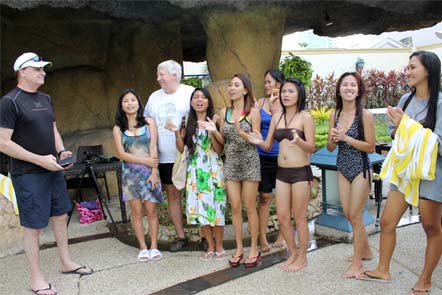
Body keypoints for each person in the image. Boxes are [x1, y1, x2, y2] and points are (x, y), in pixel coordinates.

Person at [0, 52, 93, 295]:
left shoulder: (45, 98)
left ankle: (66, 262)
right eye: (37, 68)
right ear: (22, 71)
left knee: (61, 215)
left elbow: (52, 128)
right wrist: (39, 160)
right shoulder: (10, 102)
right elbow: (3, 143)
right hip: (28, 173)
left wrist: (61, 151)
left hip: (53, 170)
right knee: (34, 226)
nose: (43, 72)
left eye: (44, 68)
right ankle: (36, 278)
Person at [359, 51, 442, 295]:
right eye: (407, 67)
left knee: (431, 227)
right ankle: (383, 269)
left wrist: (406, 124)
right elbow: (395, 134)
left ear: (428, 70)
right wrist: (398, 127)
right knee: (386, 222)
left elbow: (438, 142)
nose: (408, 71)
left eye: (413, 67)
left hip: (431, 173)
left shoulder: (439, 103)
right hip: (406, 173)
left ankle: (425, 281)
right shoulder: (406, 98)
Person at [249, 77, 315, 272]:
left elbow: (311, 147)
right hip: (282, 172)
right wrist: (257, 140)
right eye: (284, 91)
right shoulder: (277, 116)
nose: (286, 95)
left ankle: (303, 257)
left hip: (300, 173)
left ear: (299, 94)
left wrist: (299, 142)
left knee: (300, 217)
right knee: (283, 216)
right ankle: (293, 252)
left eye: (291, 91)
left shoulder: (305, 117)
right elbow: (269, 144)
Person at [167, 88, 227, 260]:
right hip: (195, 171)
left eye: (203, 97)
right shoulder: (187, 121)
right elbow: (181, 149)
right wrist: (176, 133)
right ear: (192, 102)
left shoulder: (215, 119)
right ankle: (209, 245)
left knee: (217, 208)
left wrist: (212, 130)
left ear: (209, 101)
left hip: (214, 169)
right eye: (196, 97)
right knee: (201, 210)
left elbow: (220, 148)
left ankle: (220, 245)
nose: (199, 100)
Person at [326, 72, 375, 278]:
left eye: (353, 85)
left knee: (355, 215)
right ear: (339, 89)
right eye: (345, 84)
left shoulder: (365, 115)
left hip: (361, 167)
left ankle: (357, 263)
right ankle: (365, 250)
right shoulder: (334, 114)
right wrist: (333, 138)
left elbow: (371, 147)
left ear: (358, 90)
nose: (348, 88)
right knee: (349, 214)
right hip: (342, 166)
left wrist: (346, 138)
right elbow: (329, 148)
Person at [144, 60, 195, 252]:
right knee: (173, 194)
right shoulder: (154, 97)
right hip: (164, 156)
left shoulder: (189, 92)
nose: (158, 78)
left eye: (161, 74)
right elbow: (147, 122)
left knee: (195, 193)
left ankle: (205, 233)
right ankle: (181, 235)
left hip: (188, 155)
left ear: (174, 75)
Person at [212, 73, 262, 268]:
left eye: (236, 85)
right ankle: (239, 248)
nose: (231, 88)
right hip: (231, 161)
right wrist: (213, 130)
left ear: (245, 89)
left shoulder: (253, 113)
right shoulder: (225, 112)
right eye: (230, 85)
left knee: (250, 207)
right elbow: (224, 142)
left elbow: (257, 140)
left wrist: (243, 133)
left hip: (250, 161)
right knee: (234, 206)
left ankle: (254, 248)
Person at [113, 89, 163, 262]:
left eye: (133, 100)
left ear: (138, 103)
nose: (130, 103)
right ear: (121, 105)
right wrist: (145, 161)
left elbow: (154, 147)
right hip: (130, 175)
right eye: (126, 101)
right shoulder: (118, 128)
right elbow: (122, 154)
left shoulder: (149, 122)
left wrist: (154, 171)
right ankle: (142, 247)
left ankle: (154, 246)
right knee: (136, 213)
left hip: (150, 173)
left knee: (151, 212)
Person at [256, 69, 286, 252]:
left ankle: (282, 234)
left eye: (270, 82)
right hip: (262, 156)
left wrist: (277, 105)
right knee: (264, 197)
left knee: (283, 198)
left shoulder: (286, 103)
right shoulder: (260, 103)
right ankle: (262, 238)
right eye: (265, 82)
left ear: (279, 84)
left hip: (282, 157)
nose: (266, 85)